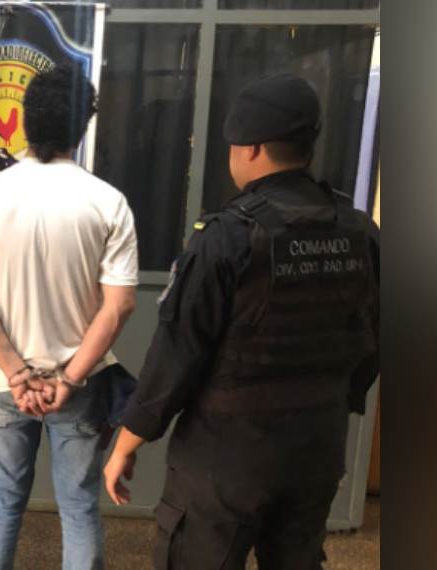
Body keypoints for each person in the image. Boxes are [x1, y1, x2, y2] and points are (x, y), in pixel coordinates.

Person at [104, 73, 381, 570]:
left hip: (226, 458)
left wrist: (129, 439)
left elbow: (176, 355)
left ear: (250, 148)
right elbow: (374, 338)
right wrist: (334, 401)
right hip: (318, 446)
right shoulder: (360, 231)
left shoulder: (228, 236)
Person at [0, 66, 140, 570]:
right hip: (78, 386)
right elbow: (119, 305)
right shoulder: (108, 203)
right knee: (79, 509)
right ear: (83, 127)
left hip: (4, 383)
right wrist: (70, 378)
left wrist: (17, 373)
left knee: (2, 503)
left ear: (25, 122)